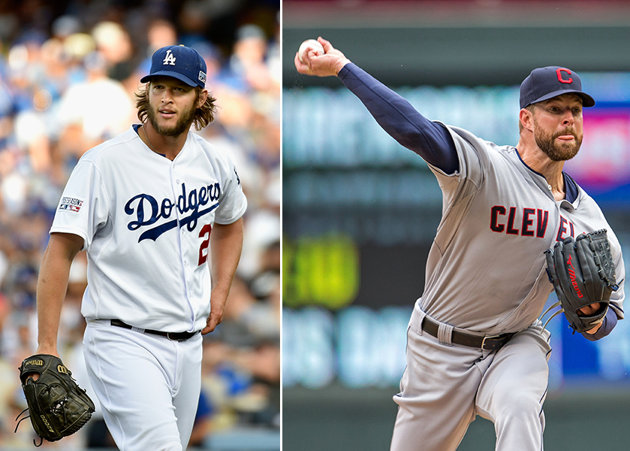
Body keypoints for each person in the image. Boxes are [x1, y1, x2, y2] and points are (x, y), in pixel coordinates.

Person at [295, 38, 625, 450]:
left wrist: (595, 315)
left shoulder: (591, 223)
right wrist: (344, 66)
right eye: (555, 110)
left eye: (575, 111)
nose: (568, 120)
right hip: (440, 348)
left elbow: (609, 316)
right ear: (526, 119)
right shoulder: (486, 167)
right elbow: (414, 129)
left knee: (520, 406)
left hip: (515, 343)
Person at [35, 44, 247, 450]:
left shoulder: (214, 162)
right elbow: (59, 251)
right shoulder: (103, 163)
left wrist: (220, 292)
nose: (166, 98)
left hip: (189, 346)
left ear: (200, 97)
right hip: (123, 340)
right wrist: (47, 344)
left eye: (179, 89)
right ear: (145, 92)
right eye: (159, 87)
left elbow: (231, 222)